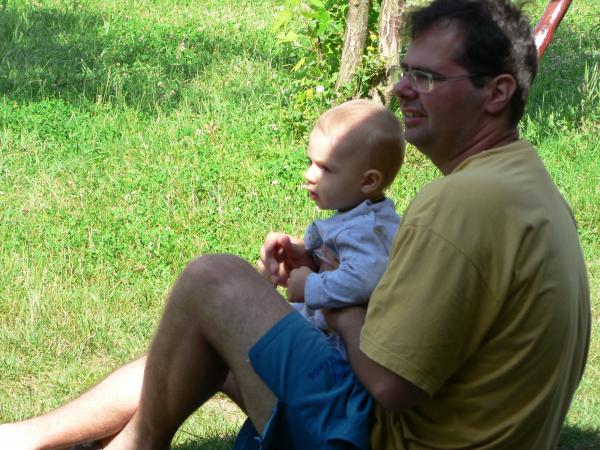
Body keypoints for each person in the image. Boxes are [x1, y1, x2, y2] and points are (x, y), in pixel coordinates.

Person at [0, 0, 590, 449]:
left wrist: (337, 302)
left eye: (428, 78)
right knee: (224, 330)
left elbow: (392, 384)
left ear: (497, 92)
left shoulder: (458, 203)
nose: (402, 90)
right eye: (406, 71)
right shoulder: (528, 187)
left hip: (381, 438)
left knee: (214, 280)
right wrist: (329, 276)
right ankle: (31, 438)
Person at [277, 99, 403, 359]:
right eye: (310, 162)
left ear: (368, 181)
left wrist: (310, 286)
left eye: (325, 168)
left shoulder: (366, 230)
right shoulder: (361, 214)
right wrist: (308, 256)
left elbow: (363, 280)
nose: (309, 175)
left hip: (338, 351)